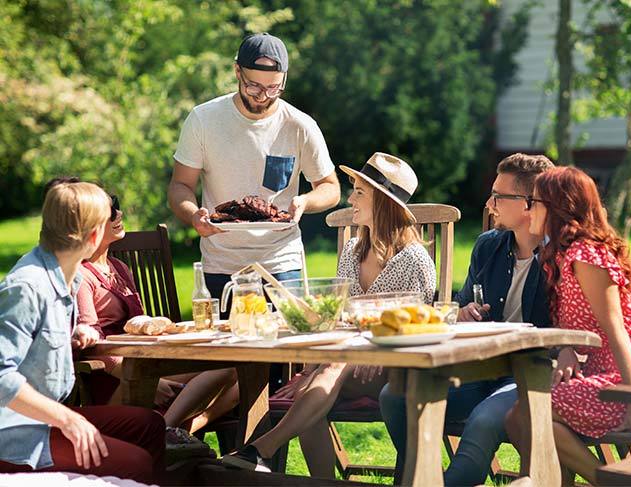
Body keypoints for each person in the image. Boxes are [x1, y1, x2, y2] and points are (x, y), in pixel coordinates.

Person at [222, 152, 436, 477]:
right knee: (315, 388)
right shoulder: (352, 251)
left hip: (395, 368)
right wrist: (313, 363)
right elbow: (338, 318)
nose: (350, 198)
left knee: (327, 372)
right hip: (346, 361)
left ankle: (261, 449)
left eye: (360, 192)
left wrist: (367, 355)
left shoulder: (415, 261)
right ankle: (319, 479)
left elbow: (418, 329)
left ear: (383, 202)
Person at [379, 153, 555, 486]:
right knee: (394, 396)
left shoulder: (559, 257)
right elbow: (461, 304)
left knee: (484, 420)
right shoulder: (487, 247)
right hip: (479, 369)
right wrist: (461, 314)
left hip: (531, 374)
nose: (490, 203)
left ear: (530, 203)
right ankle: (422, 475)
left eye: (499, 196)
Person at [0, 182, 164, 483]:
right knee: (135, 462)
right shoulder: (27, 287)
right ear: (93, 236)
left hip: (43, 421)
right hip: (15, 434)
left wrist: (72, 336)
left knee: (149, 425)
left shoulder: (67, 277)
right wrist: (67, 418)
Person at [505, 166, 631, 485]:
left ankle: (610, 483)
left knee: (526, 415)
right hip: (601, 371)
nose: (529, 211)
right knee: (523, 417)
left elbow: (618, 331)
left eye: (536, 202)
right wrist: (568, 347)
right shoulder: (561, 254)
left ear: (559, 207)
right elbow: (573, 319)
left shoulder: (586, 256)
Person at [168, 32, 340, 301]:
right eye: (254, 87)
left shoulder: (300, 125)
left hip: (282, 263)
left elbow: (330, 188)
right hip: (221, 263)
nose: (263, 96)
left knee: (284, 341)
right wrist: (193, 216)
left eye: (274, 88)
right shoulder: (203, 119)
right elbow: (180, 186)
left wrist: (304, 202)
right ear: (238, 71)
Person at [75, 190, 238, 435]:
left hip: (144, 361)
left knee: (238, 373)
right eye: (109, 213)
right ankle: (168, 430)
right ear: (87, 224)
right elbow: (92, 342)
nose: (118, 214)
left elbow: (139, 323)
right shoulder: (81, 275)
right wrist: (153, 380)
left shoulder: (118, 267)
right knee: (225, 368)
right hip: (114, 377)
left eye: (116, 206)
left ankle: (175, 431)